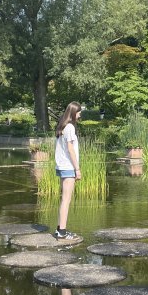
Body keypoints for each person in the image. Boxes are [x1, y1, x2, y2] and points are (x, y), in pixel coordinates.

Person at [53, 101, 82, 239]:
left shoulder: (61, 127)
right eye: (79, 112)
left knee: (64, 199)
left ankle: (60, 228)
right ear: (73, 113)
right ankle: (62, 232)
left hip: (61, 166)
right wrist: (77, 169)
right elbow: (71, 150)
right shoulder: (69, 127)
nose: (80, 115)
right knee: (66, 200)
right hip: (69, 167)